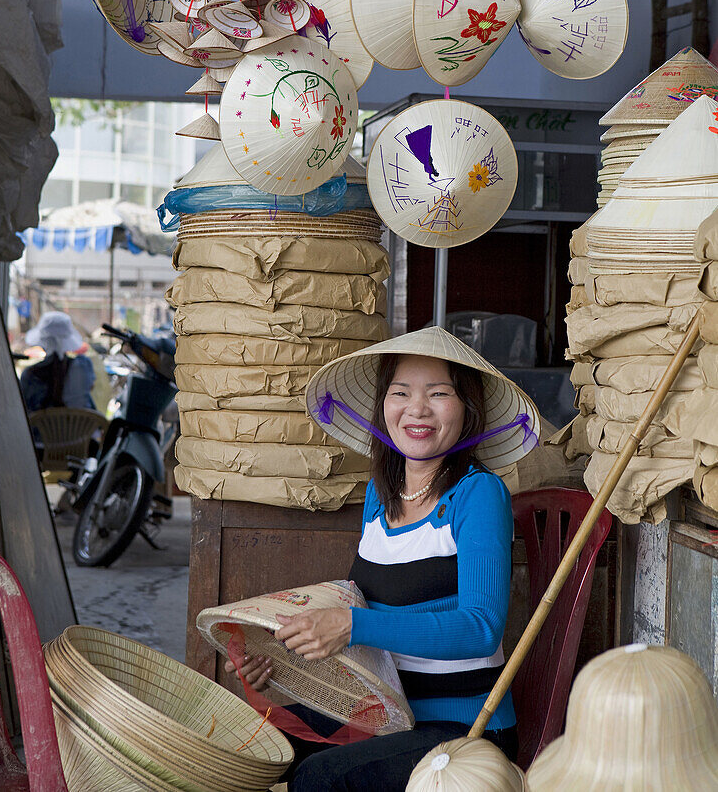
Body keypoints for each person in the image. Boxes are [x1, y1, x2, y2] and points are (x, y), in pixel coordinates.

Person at [229, 327, 540, 792]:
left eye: (439, 394)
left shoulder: (478, 495)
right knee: (247, 745)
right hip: (380, 710)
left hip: (462, 732)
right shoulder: (380, 495)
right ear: (383, 407)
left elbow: (481, 627)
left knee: (321, 778)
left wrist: (353, 625)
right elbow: (373, 617)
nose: (417, 409)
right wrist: (281, 656)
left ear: (467, 409)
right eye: (401, 393)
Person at [19, 311, 96, 413]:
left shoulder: (29, 375)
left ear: (42, 341)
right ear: (68, 339)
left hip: (40, 428)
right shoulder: (83, 366)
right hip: (81, 428)